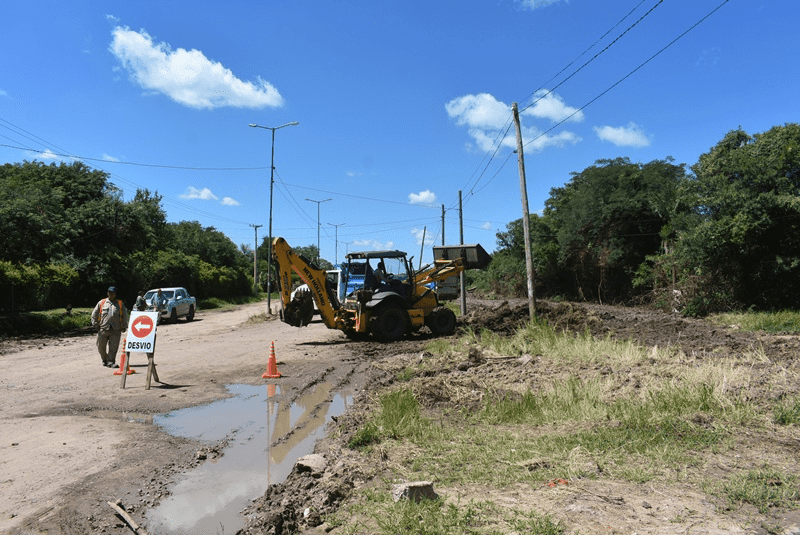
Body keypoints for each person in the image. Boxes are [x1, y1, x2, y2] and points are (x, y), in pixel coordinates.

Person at [91, 286, 129, 368]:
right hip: (103, 328)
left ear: (115, 294)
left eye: (112, 293)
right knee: (100, 346)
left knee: (113, 347)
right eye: (109, 292)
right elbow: (94, 314)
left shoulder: (120, 304)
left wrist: (124, 326)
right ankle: (104, 359)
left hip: (116, 329)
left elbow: (125, 316)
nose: (110, 294)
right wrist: (95, 324)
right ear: (107, 293)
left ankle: (111, 361)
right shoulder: (102, 302)